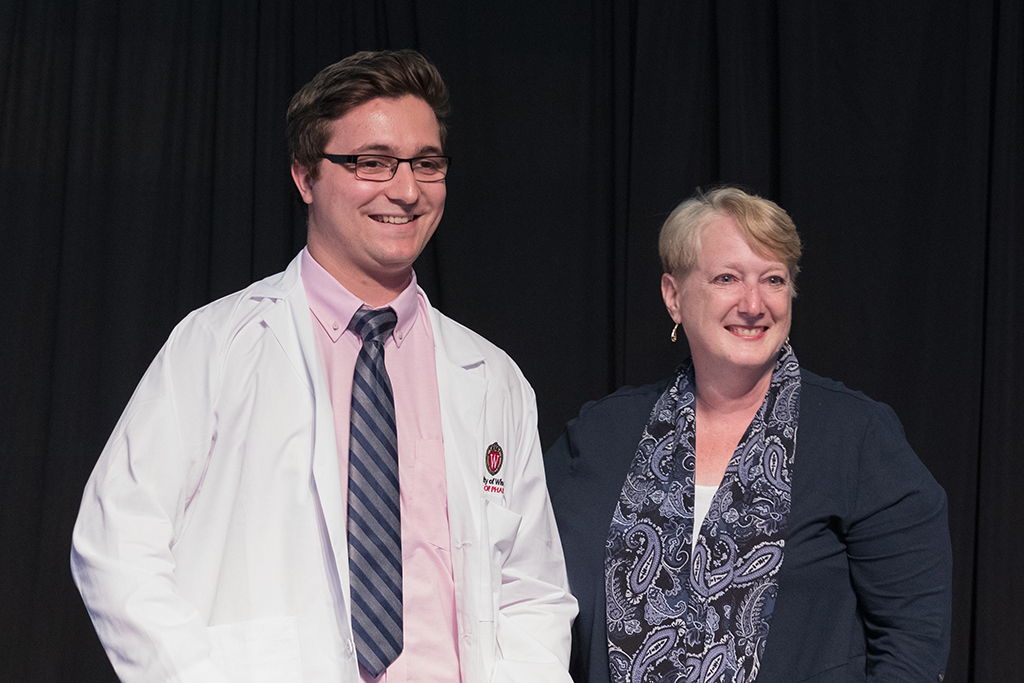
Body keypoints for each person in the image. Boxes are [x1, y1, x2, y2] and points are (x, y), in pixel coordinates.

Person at [72, 49, 576, 683]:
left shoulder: (491, 377)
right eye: (372, 162)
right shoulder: (218, 344)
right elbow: (116, 543)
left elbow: (531, 592)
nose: (407, 189)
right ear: (305, 177)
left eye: (428, 163)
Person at [544, 186, 951, 683]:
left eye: (773, 280)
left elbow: (914, 645)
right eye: (727, 278)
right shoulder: (601, 435)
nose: (753, 303)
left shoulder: (859, 438)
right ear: (674, 297)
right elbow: (531, 592)